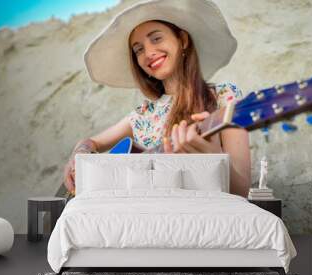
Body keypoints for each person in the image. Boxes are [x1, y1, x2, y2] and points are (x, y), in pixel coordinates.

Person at [64, 0, 251, 197]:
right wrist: (80, 153)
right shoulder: (142, 115)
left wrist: (214, 158)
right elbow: (91, 142)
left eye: (156, 38)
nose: (149, 53)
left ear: (183, 40)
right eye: (139, 50)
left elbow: (242, 191)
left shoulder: (225, 98)